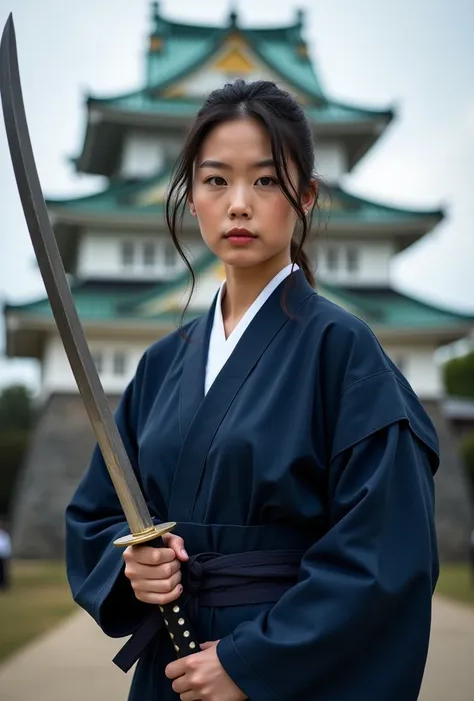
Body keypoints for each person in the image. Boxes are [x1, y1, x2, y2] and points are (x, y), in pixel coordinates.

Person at [66, 79, 440, 701]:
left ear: (307, 196)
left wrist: (251, 662)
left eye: (265, 180)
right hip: (172, 668)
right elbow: (99, 514)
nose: (239, 203)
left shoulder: (343, 352)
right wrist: (132, 566)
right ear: (191, 199)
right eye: (216, 181)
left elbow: (384, 554)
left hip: (281, 669)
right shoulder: (162, 364)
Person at [0, 522, 12, 592]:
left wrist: (8, 554)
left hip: (3, 556)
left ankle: (4, 585)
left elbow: (7, 546)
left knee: (3, 571)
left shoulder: (4, 535)